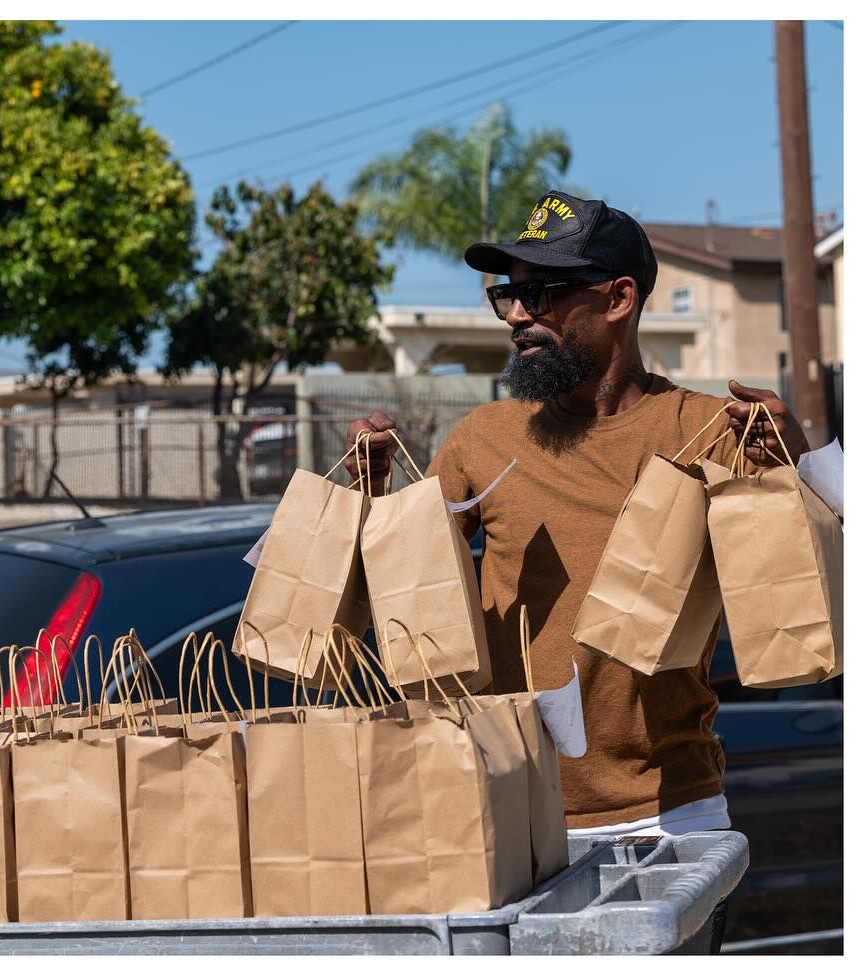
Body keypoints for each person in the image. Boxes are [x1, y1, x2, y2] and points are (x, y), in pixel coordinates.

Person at [344, 189, 813, 838]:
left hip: (669, 814)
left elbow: (812, 583)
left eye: (541, 293)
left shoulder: (710, 431)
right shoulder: (482, 438)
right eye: (508, 293)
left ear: (618, 299)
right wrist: (368, 496)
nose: (514, 314)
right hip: (512, 810)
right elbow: (398, 600)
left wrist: (802, 467)